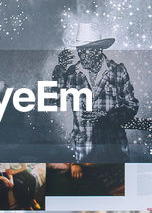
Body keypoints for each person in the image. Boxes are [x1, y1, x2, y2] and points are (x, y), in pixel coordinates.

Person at [51, 24, 138, 162]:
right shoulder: (72, 74)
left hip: (114, 146)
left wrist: (108, 117)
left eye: (87, 51)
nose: (82, 55)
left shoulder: (118, 71)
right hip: (84, 148)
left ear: (98, 50)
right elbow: (54, 101)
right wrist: (60, 69)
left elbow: (131, 106)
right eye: (80, 51)